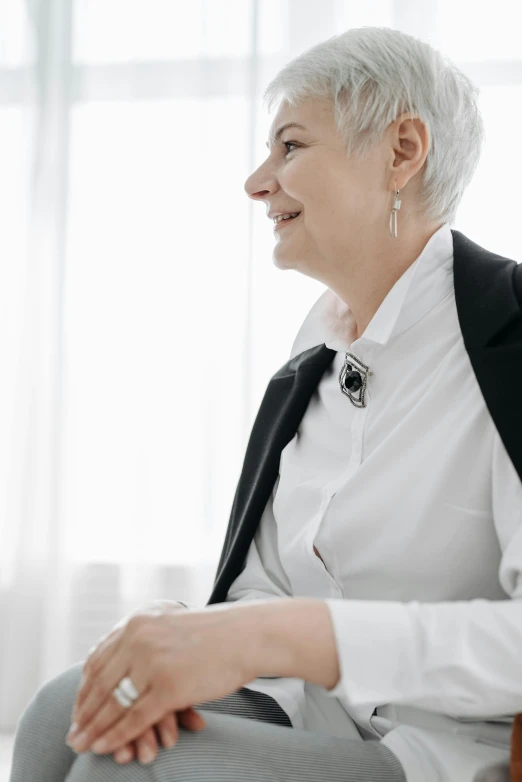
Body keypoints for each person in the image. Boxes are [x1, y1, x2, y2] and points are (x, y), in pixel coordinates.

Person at [9, 25, 519, 782]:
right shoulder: (312, 356)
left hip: (435, 745)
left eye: (290, 147)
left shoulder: (506, 337)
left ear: (402, 151)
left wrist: (281, 635)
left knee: (125, 769)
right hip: (311, 707)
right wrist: (199, 630)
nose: (256, 180)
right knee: (64, 710)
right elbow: (268, 586)